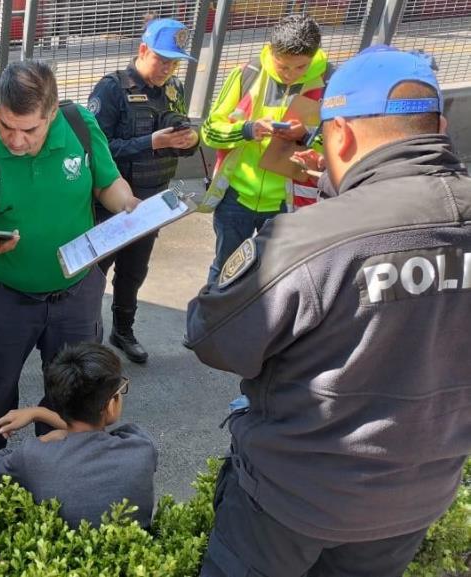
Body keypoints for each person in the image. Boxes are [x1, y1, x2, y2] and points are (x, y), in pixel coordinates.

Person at [185, 46, 471, 577]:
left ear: (340, 133)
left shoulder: (309, 239)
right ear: (439, 125)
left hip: (291, 501)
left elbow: (214, 336)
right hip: (417, 500)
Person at [0, 60, 140, 482]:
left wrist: (130, 207)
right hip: (1, 295)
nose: (17, 140)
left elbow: (108, 185)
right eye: (7, 126)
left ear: (53, 112)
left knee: (72, 392)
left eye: (30, 130)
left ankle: (57, 463)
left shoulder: (79, 126)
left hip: (76, 293)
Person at [87, 18, 199, 363]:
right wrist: (149, 142)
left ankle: (124, 331)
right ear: (142, 50)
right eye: (162, 59)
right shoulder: (111, 89)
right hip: (112, 200)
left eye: (174, 61)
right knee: (96, 272)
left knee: (134, 271)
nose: (167, 68)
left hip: (154, 198)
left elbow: (180, 140)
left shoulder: (174, 89)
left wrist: (190, 140)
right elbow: (97, 149)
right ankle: (87, 336)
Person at [200, 14, 330, 284]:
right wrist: (247, 130)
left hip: (290, 202)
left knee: (278, 277)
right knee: (225, 271)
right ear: (271, 51)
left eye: (300, 68)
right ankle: (212, 324)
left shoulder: (330, 84)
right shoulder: (247, 75)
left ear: (315, 55)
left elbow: (337, 146)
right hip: (236, 198)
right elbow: (210, 130)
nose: (290, 75)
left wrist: (305, 136)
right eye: (283, 67)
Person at [0, 342, 157, 528]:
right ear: (111, 405)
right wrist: (42, 415)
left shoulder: (34, 456)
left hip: (61, 552)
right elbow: (94, 435)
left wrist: (44, 432)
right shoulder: (141, 445)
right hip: (134, 549)